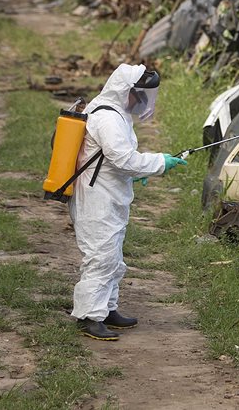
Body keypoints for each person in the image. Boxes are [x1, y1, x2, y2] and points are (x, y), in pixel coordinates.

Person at [69, 63, 186, 341]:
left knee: (113, 256)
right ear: (125, 90)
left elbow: (110, 159)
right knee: (101, 256)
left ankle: (107, 308)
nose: (143, 100)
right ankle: (89, 316)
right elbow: (122, 159)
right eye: (139, 94)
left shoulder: (118, 113)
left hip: (110, 193)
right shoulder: (107, 117)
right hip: (96, 198)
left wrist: (136, 175)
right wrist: (159, 162)